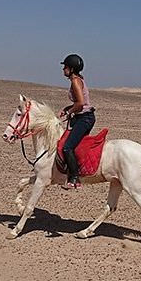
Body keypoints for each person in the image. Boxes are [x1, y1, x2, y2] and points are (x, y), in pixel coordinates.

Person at [58, 53, 95, 190]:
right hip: (83, 117)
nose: (63, 70)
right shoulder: (78, 79)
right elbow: (79, 103)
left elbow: (80, 103)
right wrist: (67, 108)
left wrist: (69, 112)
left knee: (67, 147)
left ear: (71, 69)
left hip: (84, 118)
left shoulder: (75, 81)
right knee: (73, 144)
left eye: (65, 67)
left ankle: (74, 179)